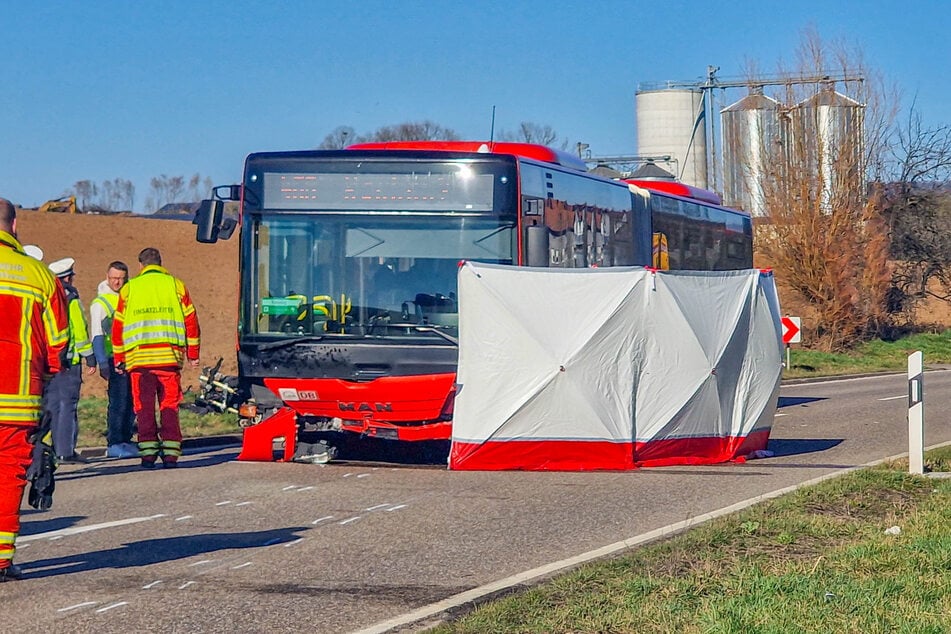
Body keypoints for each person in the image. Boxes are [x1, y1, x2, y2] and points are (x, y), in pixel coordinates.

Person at [0, 198, 68, 581]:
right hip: (16, 395)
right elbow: (58, 340)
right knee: (8, 472)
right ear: (15, 225)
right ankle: (1, 559)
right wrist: (49, 372)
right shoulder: (39, 275)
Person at [113, 247, 200, 469]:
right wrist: (193, 355)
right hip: (168, 359)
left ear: (141, 265)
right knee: (169, 405)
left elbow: (118, 326)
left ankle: (148, 454)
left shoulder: (129, 289)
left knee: (143, 407)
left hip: (139, 361)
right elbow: (191, 321)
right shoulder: (176, 285)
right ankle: (171, 455)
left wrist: (118, 358)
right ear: (160, 264)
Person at [46, 257, 96, 464]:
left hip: (49, 361)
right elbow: (79, 329)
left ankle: (50, 448)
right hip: (69, 361)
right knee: (68, 405)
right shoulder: (71, 298)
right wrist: (90, 357)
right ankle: (65, 451)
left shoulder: (48, 295)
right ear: (68, 277)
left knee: (52, 406)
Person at [90, 261, 138, 459]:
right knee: (118, 401)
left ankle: (126, 439)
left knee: (131, 401)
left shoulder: (129, 297)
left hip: (130, 357)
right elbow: (97, 335)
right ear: (107, 277)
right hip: (112, 358)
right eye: (114, 278)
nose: (117, 282)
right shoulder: (100, 303)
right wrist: (102, 363)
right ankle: (115, 442)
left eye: (121, 278)